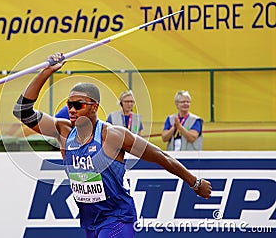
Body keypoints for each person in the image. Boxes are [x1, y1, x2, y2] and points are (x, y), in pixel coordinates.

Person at [13, 53, 211, 238]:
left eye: (78, 105)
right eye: (69, 105)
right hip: (90, 221)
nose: (71, 110)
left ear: (95, 107)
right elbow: (22, 111)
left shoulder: (113, 136)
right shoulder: (63, 132)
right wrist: (46, 72)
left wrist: (194, 182)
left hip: (118, 217)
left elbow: (161, 156)